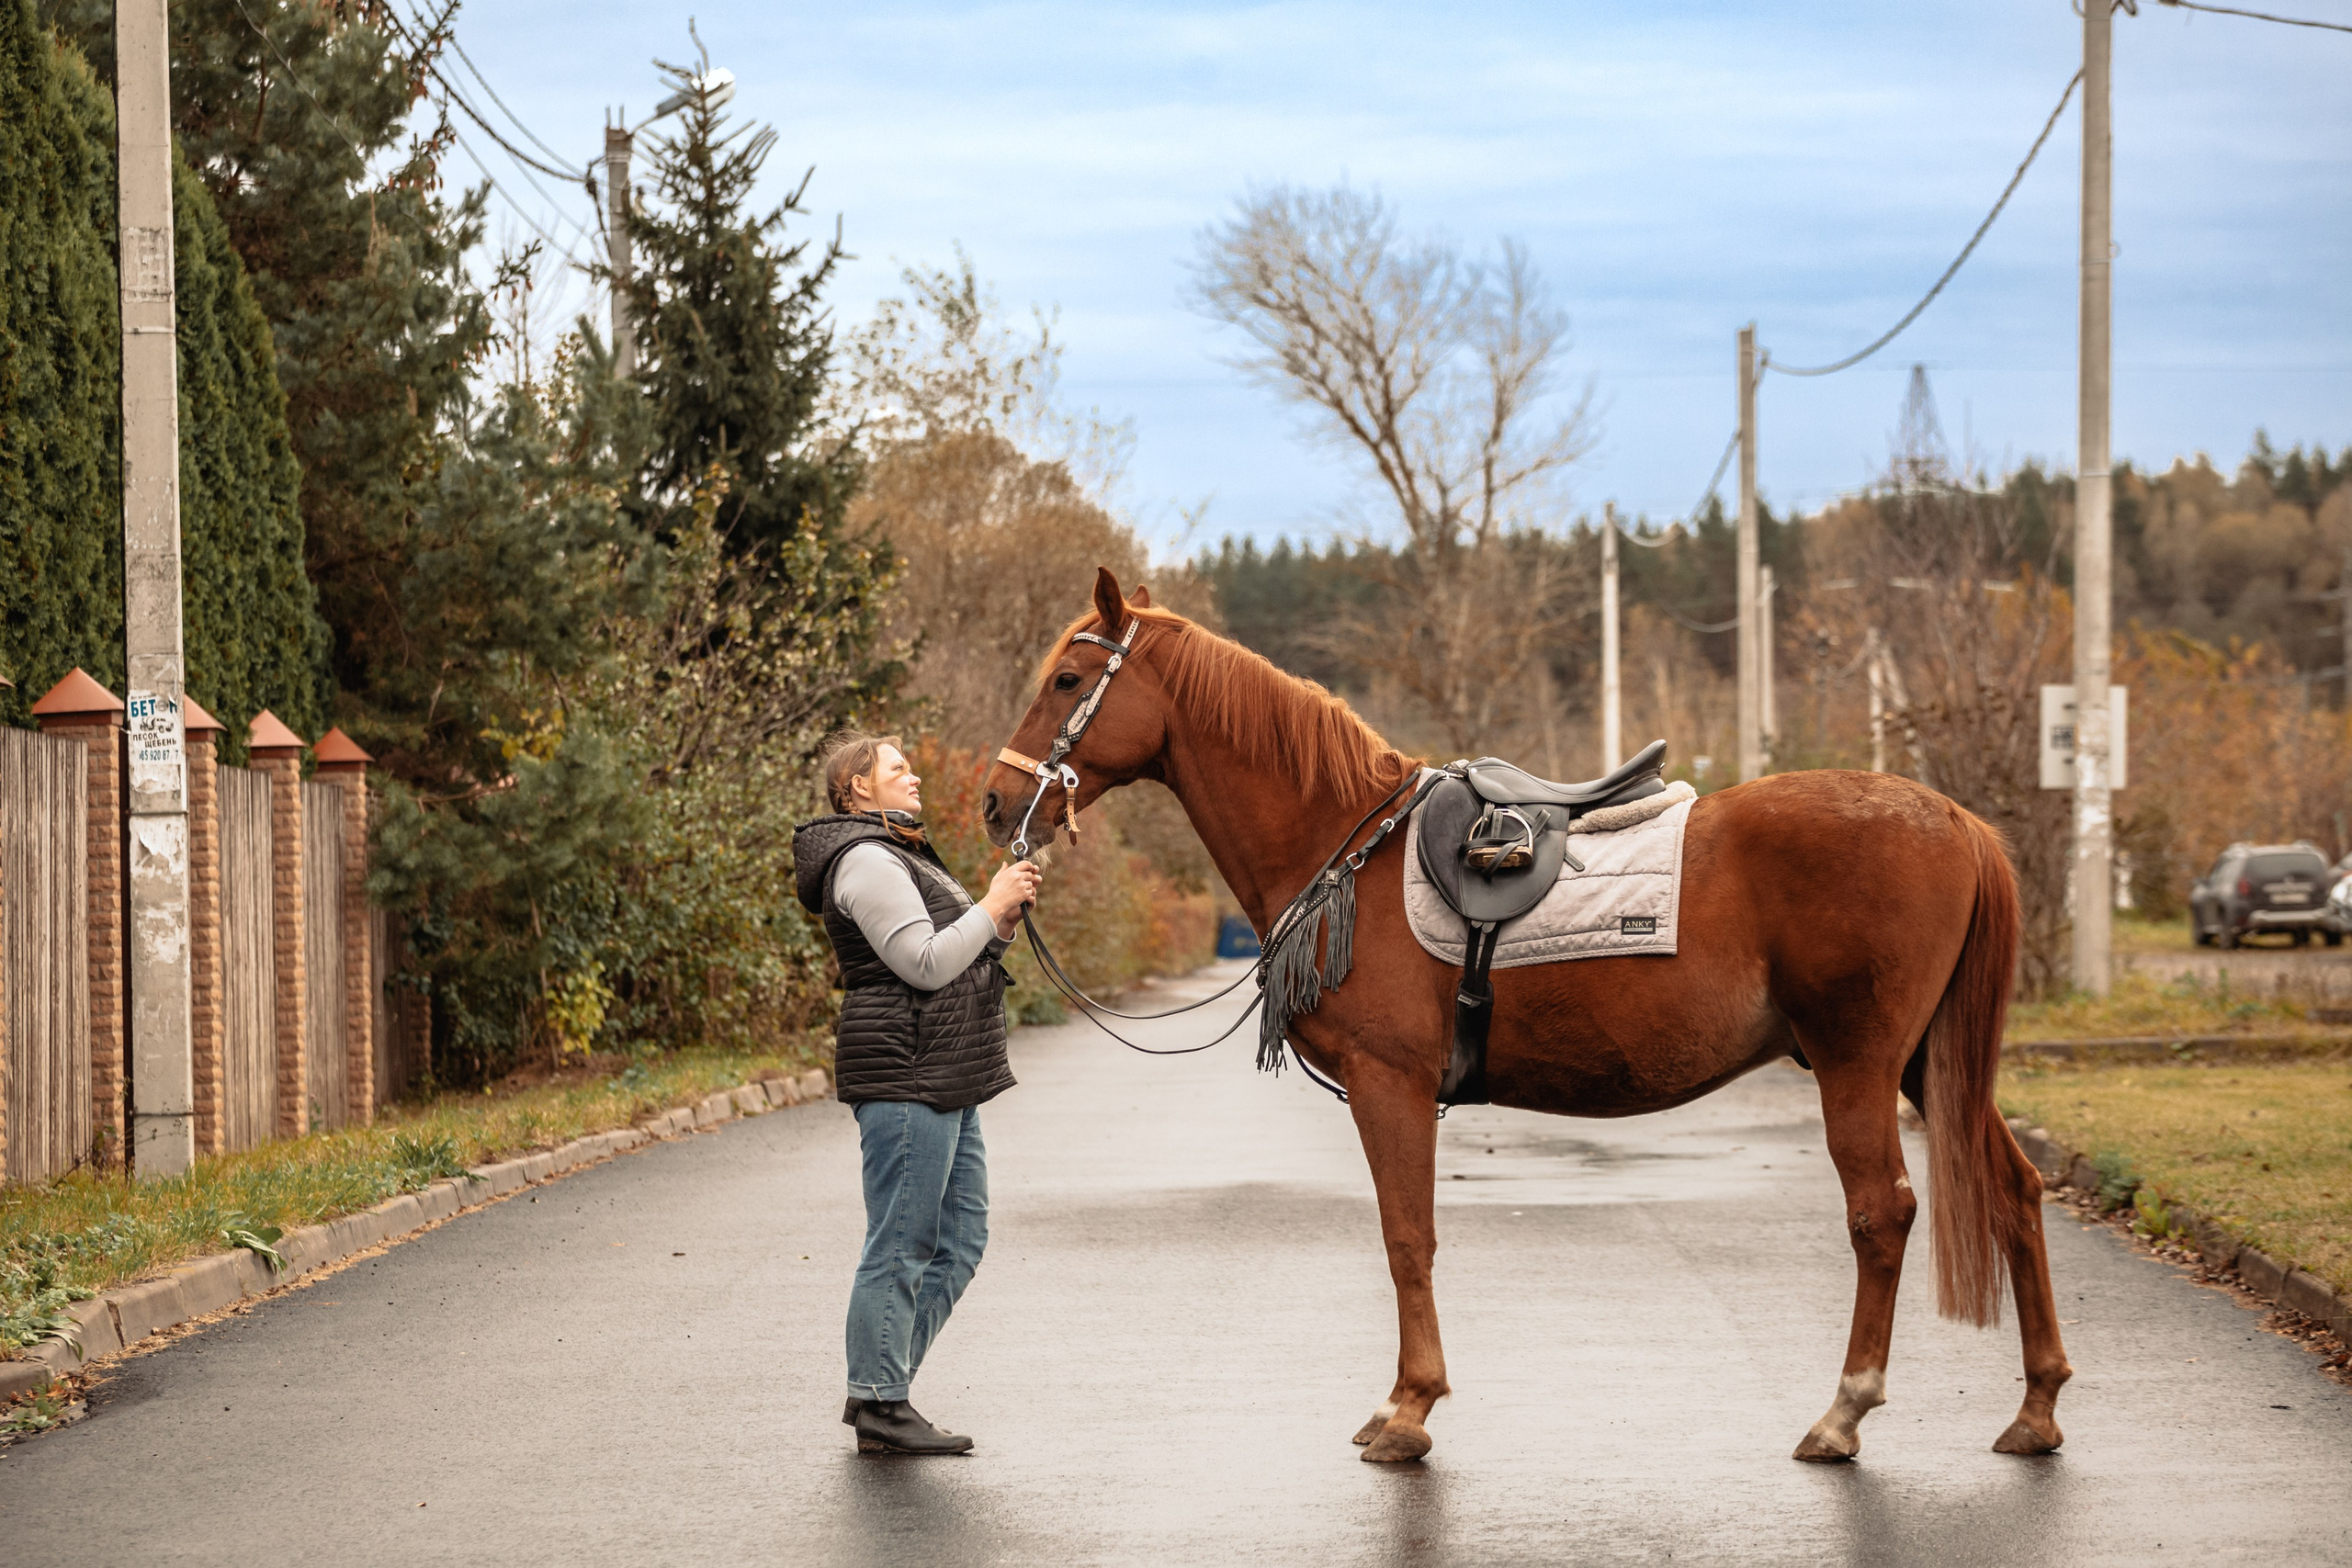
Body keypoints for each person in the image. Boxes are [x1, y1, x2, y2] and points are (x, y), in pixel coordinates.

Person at [790, 732, 1043, 1455]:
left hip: (943, 1068)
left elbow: (957, 949)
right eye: (898, 767)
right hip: (905, 1070)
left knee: (960, 1239)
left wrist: (997, 922)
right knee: (901, 1242)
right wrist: (988, 900)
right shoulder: (865, 859)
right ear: (856, 790)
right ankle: (880, 1399)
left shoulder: (899, 852)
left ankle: (881, 1385)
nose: (916, 775)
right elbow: (924, 964)